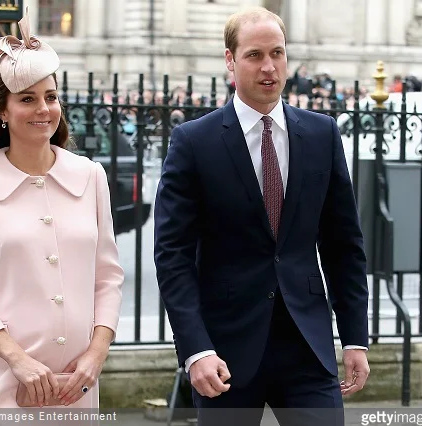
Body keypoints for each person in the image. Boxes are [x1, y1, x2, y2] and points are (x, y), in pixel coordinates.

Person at [154, 7, 370, 426]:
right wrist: (195, 349)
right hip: (225, 354)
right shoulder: (194, 142)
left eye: (277, 53)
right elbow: (172, 255)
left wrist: (355, 338)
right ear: (230, 60)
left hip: (308, 347)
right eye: (254, 55)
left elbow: (344, 245)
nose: (269, 67)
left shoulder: (322, 133)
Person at [0, 9, 123, 413]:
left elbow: (107, 277)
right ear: (3, 112)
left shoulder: (90, 176)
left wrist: (96, 354)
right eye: (28, 99)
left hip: (78, 382)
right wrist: (18, 361)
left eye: (51, 97)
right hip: (6, 380)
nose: (44, 109)